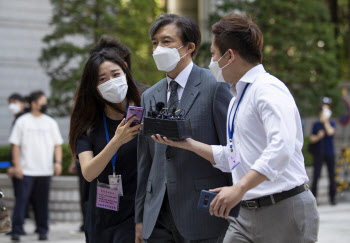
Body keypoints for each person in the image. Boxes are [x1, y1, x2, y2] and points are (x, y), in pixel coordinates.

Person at [152, 14, 319, 243]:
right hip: (245, 215)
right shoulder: (237, 97)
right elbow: (234, 157)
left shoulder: (268, 90)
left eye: (213, 54)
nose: (211, 62)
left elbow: (281, 149)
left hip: (283, 209)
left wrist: (239, 188)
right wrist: (188, 144)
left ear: (229, 56)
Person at [135, 14, 233, 243]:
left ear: (189, 47)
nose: (158, 48)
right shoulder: (149, 96)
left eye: (166, 41)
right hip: (157, 213)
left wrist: (236, 205)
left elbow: (232, 150)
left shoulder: (215, 86)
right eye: (155, 43)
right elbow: (145, 160)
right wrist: (139, 216)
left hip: (202, 213)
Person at [69, 40, 142, 243]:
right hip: (101, 214)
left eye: (116, 75)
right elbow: (89, 172)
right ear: (93, 86)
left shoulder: (142, 113)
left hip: (135, 214)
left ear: (126, 74)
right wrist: (116, 141)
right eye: (102, 79)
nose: (111, 81)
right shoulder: (88, 123)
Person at [9, 90, 63, 241]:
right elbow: (15, 146)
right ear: (33, 104)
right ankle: (16, 230)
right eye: (42, 102)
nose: (45, 105)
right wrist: (17, 165)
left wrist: (58, 162)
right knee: (21, 201)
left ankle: (42, 230)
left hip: (45, 171)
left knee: (42, 204)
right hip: (26, 170)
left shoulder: (50, 122)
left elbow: (57, 145)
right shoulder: (22, 121)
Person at [6, 93, 29, 236]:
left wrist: (15, 165)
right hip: (23, 165)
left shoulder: (23, 120)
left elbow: (18, 146)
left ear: (23, 103)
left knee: (22, 197)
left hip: (23, 166)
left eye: (14, 102)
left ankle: (17, 228)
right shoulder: (19, 119)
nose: (12, 106)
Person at [310, 102, 337, 205]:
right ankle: (314, 198)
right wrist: (318, 136)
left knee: (331, 175)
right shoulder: (316, 125)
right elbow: (312, 139)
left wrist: (325, 122)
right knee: (316, 175)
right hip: (318, 152)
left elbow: (331, 132)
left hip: (329, 152)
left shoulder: (332, 123)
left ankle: (333, 198)